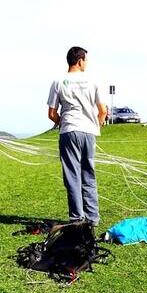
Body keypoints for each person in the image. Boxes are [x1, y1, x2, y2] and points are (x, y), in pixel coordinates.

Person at [47, 46, 108, 226]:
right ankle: (92, 218)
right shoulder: (94, 81)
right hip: (89, 132)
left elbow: (51, 113)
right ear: (80, 60)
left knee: (72, 176)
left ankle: (77, 217)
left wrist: (62, 121)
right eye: (86, 60)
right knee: (88, 173)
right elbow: (103, 110)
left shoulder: (59, 81)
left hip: (69, 130)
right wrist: (97, 123)